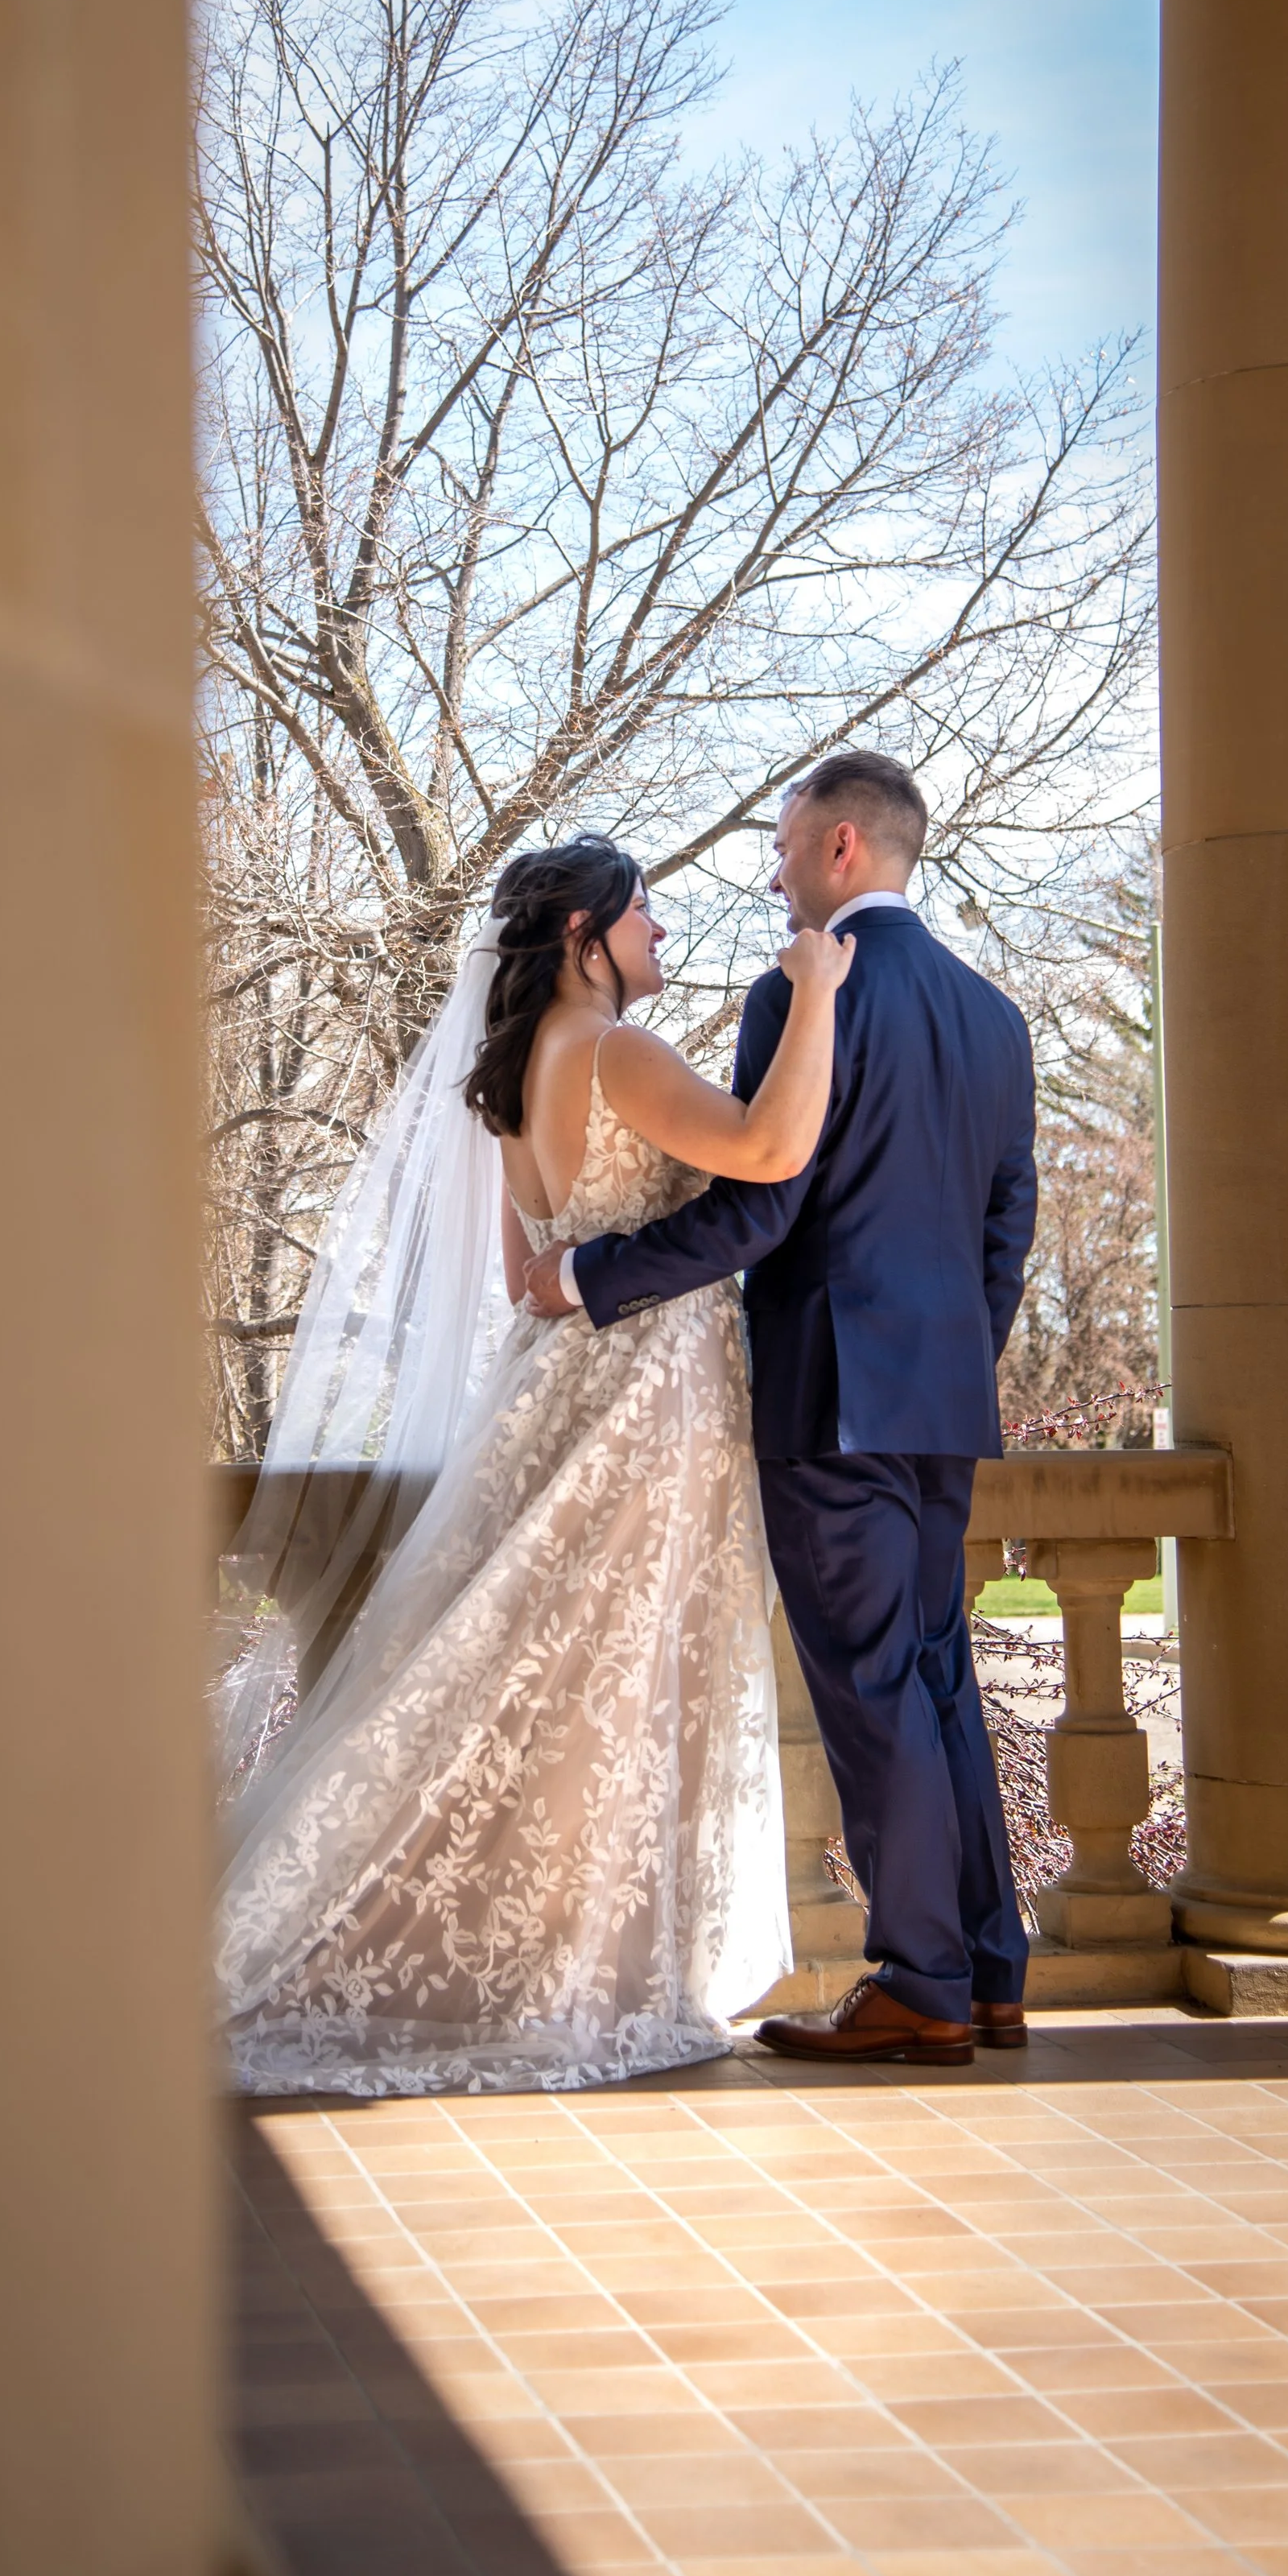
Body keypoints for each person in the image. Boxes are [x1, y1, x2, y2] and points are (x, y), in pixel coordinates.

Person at [216, 836, 852, 2097]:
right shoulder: (616, 1051)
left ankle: (543, 1964)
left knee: (538, 1682)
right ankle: (592, 1975)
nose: (661, 934)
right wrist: (819, 989)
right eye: (644, 915)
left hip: (553, 1384)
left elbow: (526, 1279)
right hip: (648, 1400)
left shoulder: (510, 1077)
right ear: (584, 934)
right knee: (617, 1686)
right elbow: (774, 1151)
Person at [526, 752, 1038, 2067]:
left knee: (874, 1693)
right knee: (936, 1676)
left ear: (846, 852)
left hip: (830, 1404)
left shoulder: (798, 997)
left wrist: (588, 1276)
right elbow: (1006, 1225)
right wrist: (956, 1363)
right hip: (941, 1410)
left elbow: (763, 1203)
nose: (772, 870)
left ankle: (921, 1980)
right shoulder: (996, 1019)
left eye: (787, 842)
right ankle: (990, 1971)